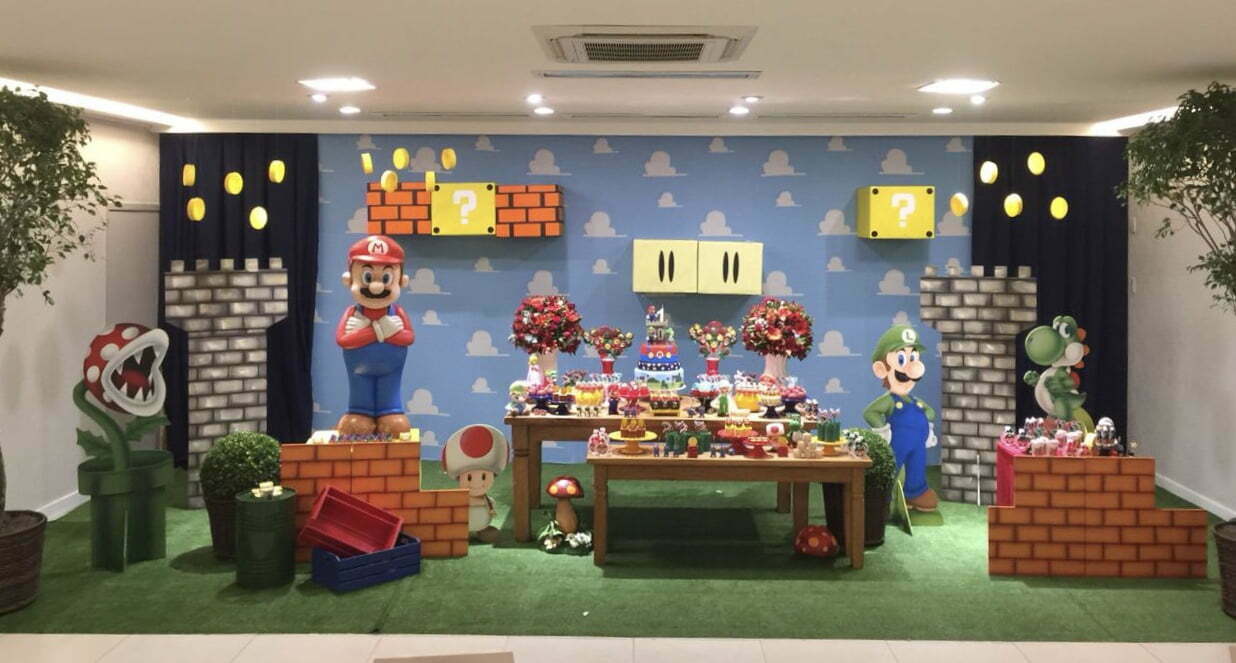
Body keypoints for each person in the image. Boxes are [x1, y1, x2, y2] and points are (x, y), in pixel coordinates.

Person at [334, 235, 414, 436]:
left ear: (401, 281)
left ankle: (390, 412)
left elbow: (408, 338)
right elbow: (342, 340)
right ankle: (360, 412)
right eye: (368, 277)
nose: (376, 286)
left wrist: (369, 331)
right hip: (358, 371)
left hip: (391, 371)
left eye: (385, 278)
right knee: (357, 418)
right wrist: (380, 330)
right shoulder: (352, 313)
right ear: (349, 279)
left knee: (394, 418)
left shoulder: (397, 313)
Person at [861, 324, 939, 511]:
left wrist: (925, 422)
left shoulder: (915, 401)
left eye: (913, 358)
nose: (912, 368)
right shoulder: (889, 400)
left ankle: (915, 493)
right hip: (897, 443)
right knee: (892, 467)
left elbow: (931, 412)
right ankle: (881, 497)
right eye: (902, 359)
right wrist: (882, 429)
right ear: (882, 369)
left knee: (917, 466)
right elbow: (870, 412)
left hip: (918, 445)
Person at [442, 424, 510, 543]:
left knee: (489, 533)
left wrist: (491, 508)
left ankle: (483, 530)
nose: (477, 483)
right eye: (469, 478)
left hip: (483, 522)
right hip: (465, 523)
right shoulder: (463, 500)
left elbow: (490, 506)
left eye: (484, 477)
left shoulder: (487, 500)